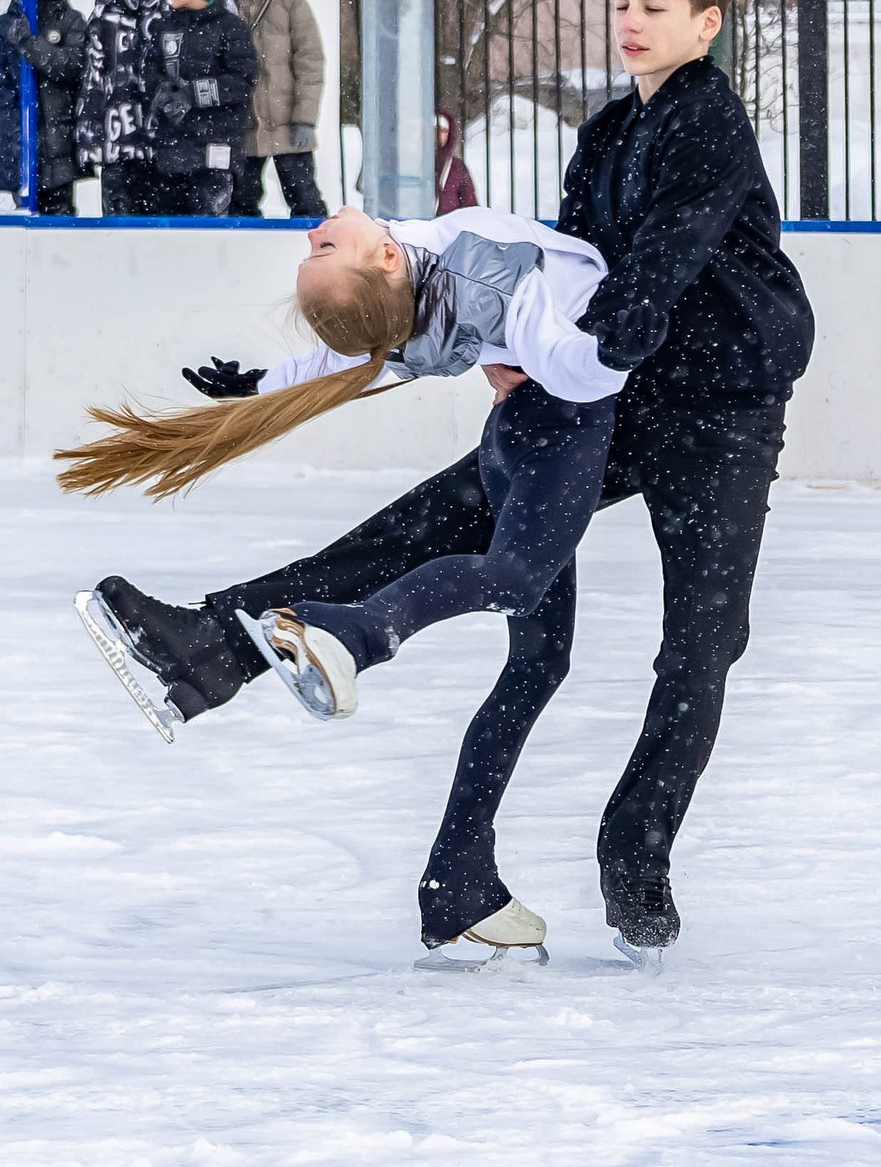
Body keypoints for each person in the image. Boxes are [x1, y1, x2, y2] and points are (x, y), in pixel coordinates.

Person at [76, 0, 813, 960]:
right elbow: (569, 260)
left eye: (657, 7)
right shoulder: (605, 131)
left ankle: (635, 849)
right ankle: (213, 643)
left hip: (718, 409)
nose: (634, 21)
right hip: (606, 390)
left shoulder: (710, 129)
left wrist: (578, 350)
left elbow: (659, 265)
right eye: (625, 3)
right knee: (418, 530)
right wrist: (512, 347)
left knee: (700, 640)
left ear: (706, 25)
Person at [63, 202, 628, 955]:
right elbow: (561, 355)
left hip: (530, 430)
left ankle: (456, 873)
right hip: (548, 433)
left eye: (319, 247)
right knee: (494, 585)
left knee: (519, 646)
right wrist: (603, 350)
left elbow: (374, 349)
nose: (309, 233)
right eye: (324, 245)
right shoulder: (457, 271)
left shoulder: (436, 279)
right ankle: (333, 635)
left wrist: (266, 380)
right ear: (388, 260)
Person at [143, 0, 260, 217]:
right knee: (167, 235)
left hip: (215, 152)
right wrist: (162, 91)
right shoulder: (165, 25)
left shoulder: (230, 28)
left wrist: (193, 94)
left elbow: (242, 81)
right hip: (170, 153)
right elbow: (150, 69)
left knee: (210, 234)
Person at [226, 0, 330, 218]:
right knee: (240, 200)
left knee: (304, 196)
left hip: (288, 124)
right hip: (243, 125)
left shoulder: (292, 4)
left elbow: (310, 64)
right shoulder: (228, 3)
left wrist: (304, 119)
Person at [0, 0, 87, 214]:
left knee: (61, 217)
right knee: (26, 217)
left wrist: (30, 44)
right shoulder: (2, 27)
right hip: (21, 144)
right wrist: (18, 128)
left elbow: (70, 66)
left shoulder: (71, 22)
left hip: (59, 141)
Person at [78, 0, 172, 215]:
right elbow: (92, 82)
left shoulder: (165, 16)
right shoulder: (102, 19)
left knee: (157, 219)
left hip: (157, 140)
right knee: (119, 219)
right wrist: (90, 137)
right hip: (115, 137)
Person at [434, 106, 479, 212]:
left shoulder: (456, 167)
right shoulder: (413, 165)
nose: (438, 135)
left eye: (444, 131)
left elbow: (470, 206)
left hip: (447, 227)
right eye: (435, 129)